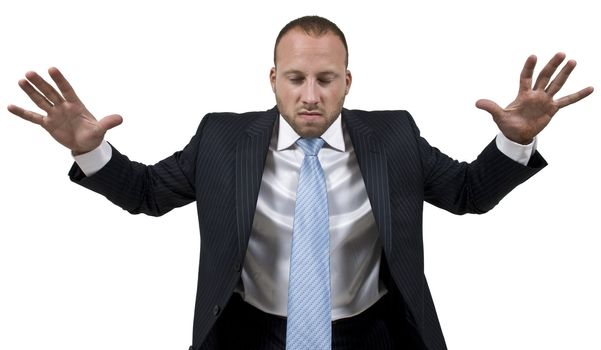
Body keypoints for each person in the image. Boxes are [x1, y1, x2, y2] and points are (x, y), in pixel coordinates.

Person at [7, 15, 593, 350]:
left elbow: (467, 194)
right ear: (272, 80)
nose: (310, 95)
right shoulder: (222, 138)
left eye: (325, 79)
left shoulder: (393, 136)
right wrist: (93, 152)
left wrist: (516, 140)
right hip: (247, 334)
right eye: (295, 78)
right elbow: (147, 194)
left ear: (347, 82)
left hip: (373, 334)